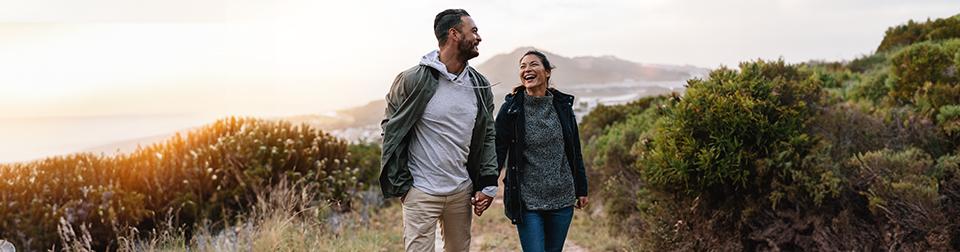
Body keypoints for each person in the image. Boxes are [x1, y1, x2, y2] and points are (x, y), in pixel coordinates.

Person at [379, 8, 500, 252]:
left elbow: (487, 135)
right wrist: (403, 187)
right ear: (454, 34)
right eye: (473, 31)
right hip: (420, 192)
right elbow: (390, 130)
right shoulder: (411, 79)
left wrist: (487, 182)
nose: (479, 37)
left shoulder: (480, 85)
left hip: (461, 192)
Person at [495, 50, 589, 252]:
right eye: (522, 66)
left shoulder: (562, 107)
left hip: (562, 197)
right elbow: (497, 152)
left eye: (533, 64)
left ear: (547, 72)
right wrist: (485, 186)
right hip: (527, 201)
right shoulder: (511, 110)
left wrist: (581, 189)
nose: (527, 69)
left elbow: (574, 150)